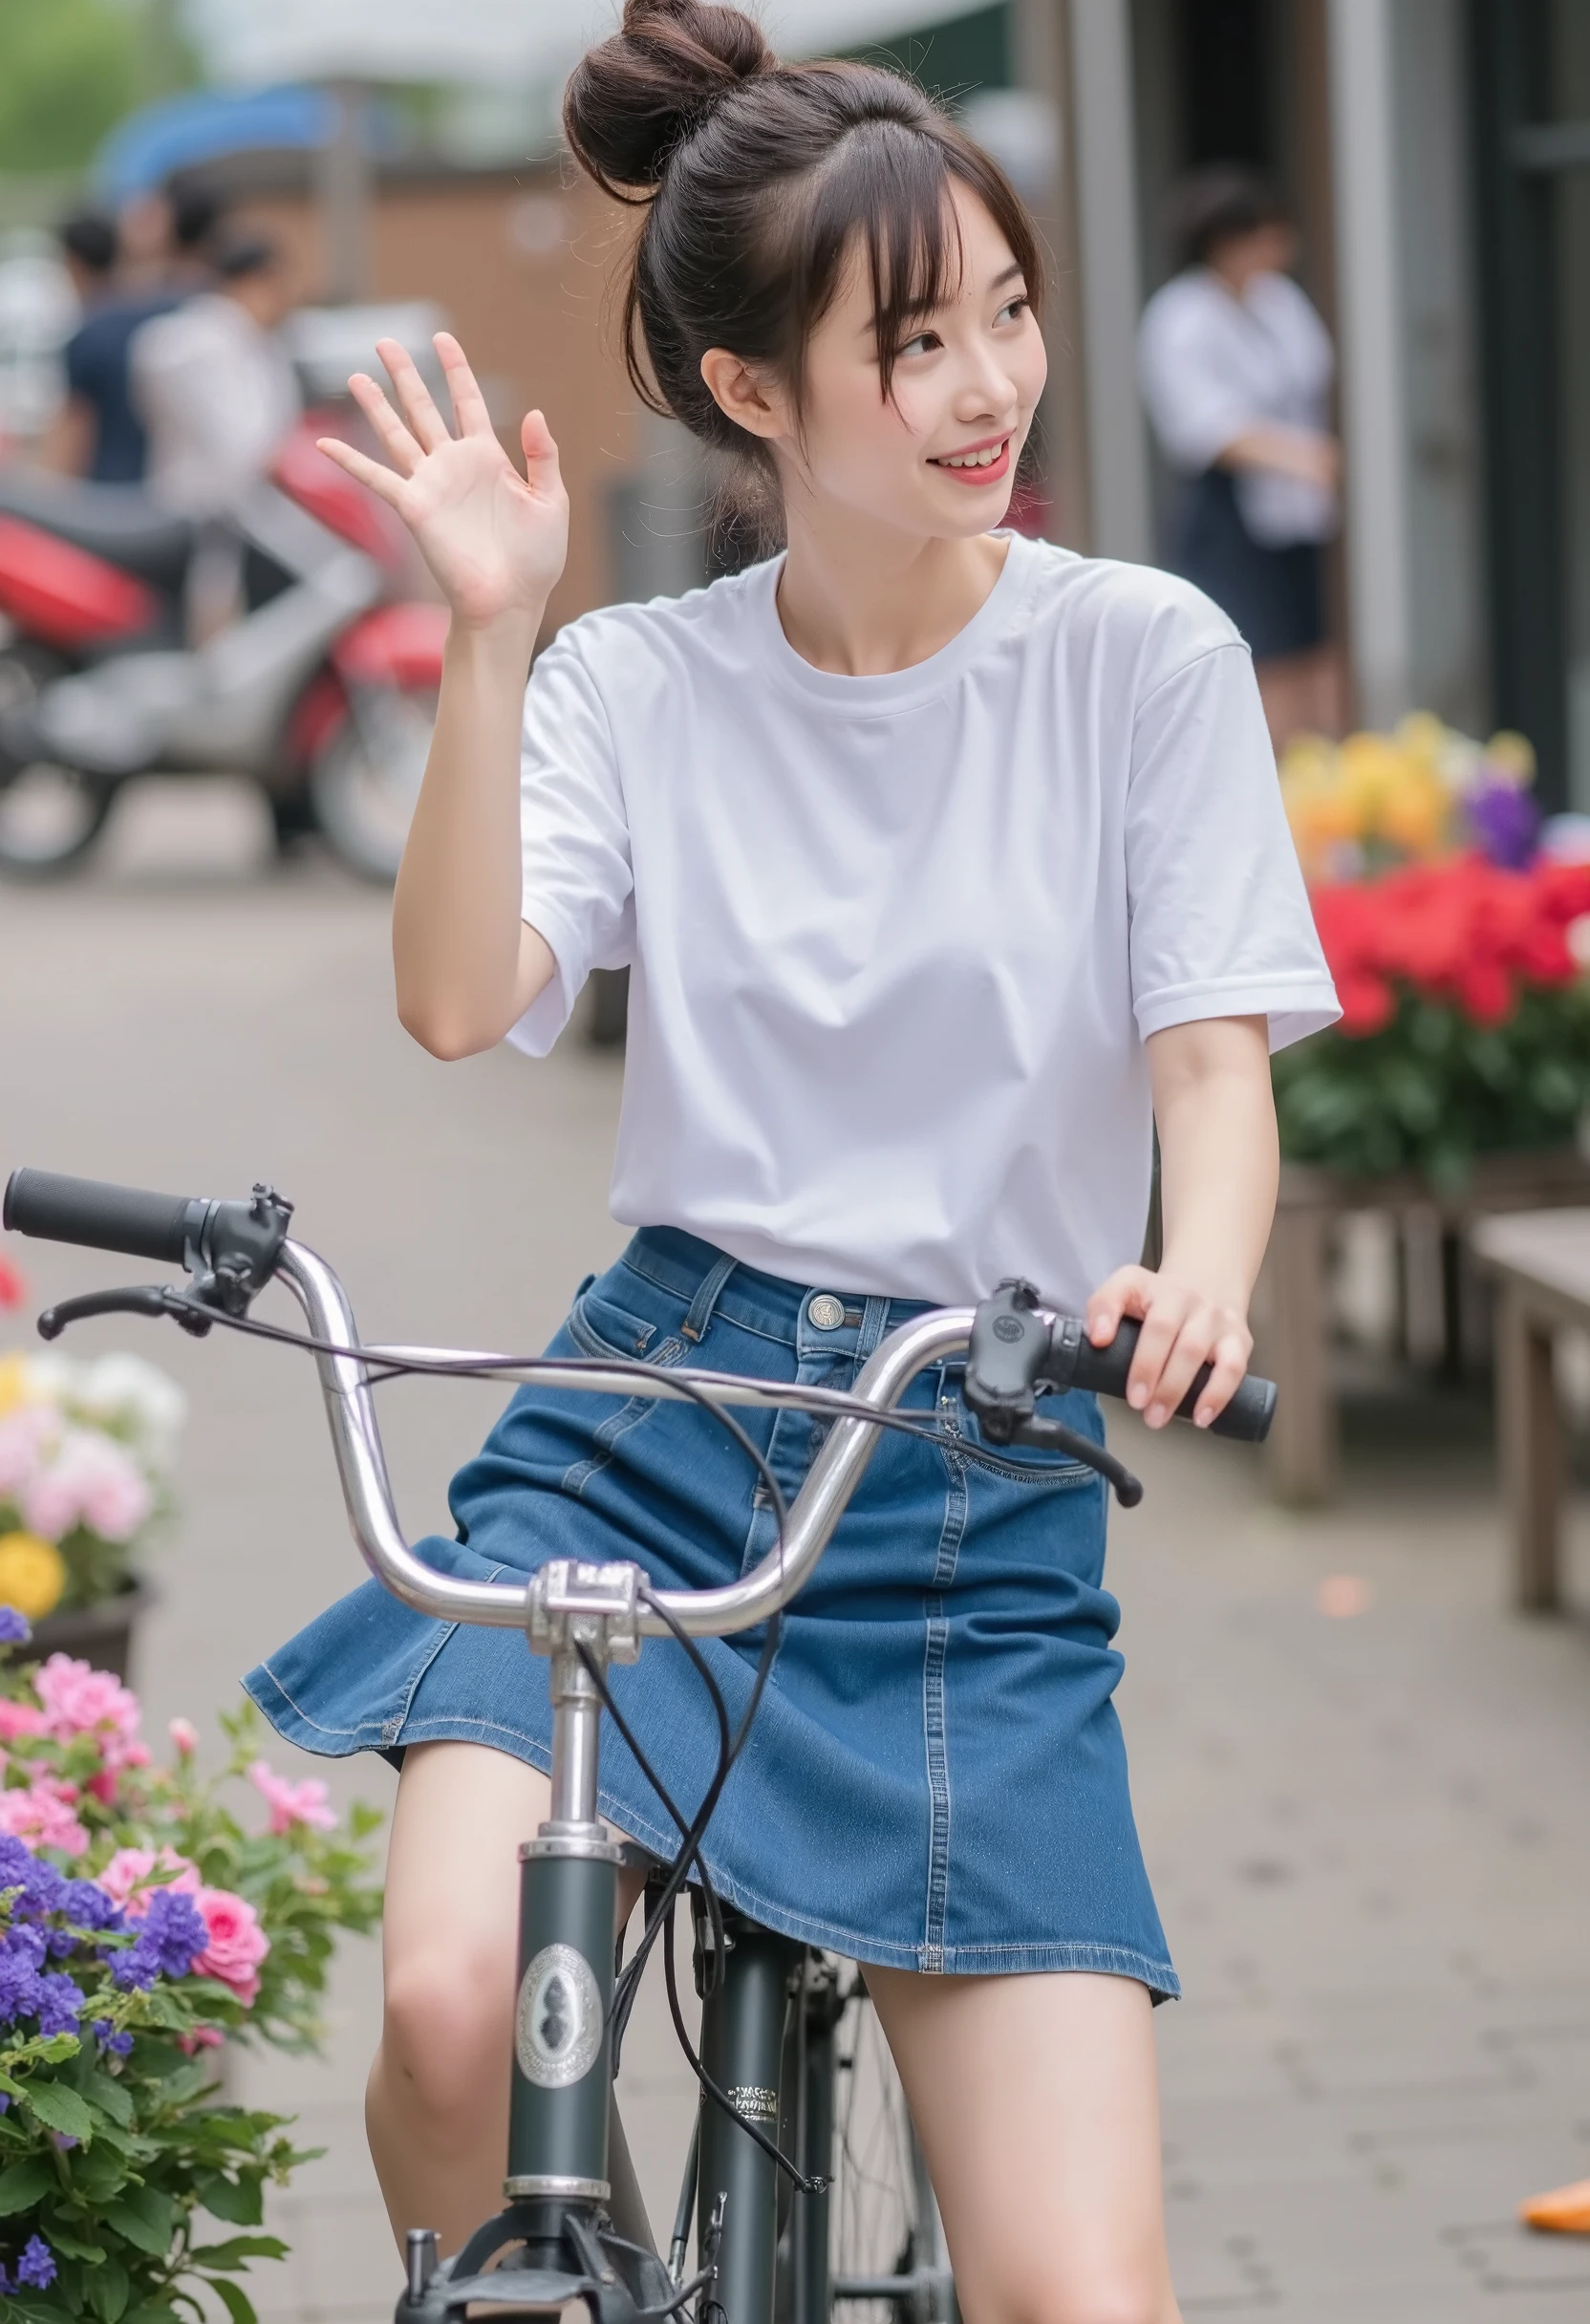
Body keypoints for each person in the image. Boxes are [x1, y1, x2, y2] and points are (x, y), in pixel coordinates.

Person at [243, 4, 1338, 2315]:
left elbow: (1207, 1070)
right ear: (750, 394)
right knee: (448, 2018)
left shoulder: (1135, 656)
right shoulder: (642, 681)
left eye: (1007, 316)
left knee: (1081, 2296)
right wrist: (480, 638)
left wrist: (1204, 1269)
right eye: (913, 340)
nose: (987, 388)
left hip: (973, 1459)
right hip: (647, 1427)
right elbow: (454, 1003)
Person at [1137, 166, 1343, 749]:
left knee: (1319, 652)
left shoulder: (1280, 301)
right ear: (1226, 242)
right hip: (1231, 510)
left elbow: (1314, 380)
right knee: (1265, 656)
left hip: (1303, 510)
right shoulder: (1181, 317)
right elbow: (1207, 428)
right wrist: (1306, 457)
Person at [130, 230, 299, 521]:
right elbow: (244, 449)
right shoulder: (195, 345)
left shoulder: (256, 341)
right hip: (202, 513)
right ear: (252, 281)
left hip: (243, 512)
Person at [42, 209, 182, 484]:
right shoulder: (161, 312)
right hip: (162, 485)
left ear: (73, 263)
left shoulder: (90, 335)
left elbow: (73, 431)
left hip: (106, 494)